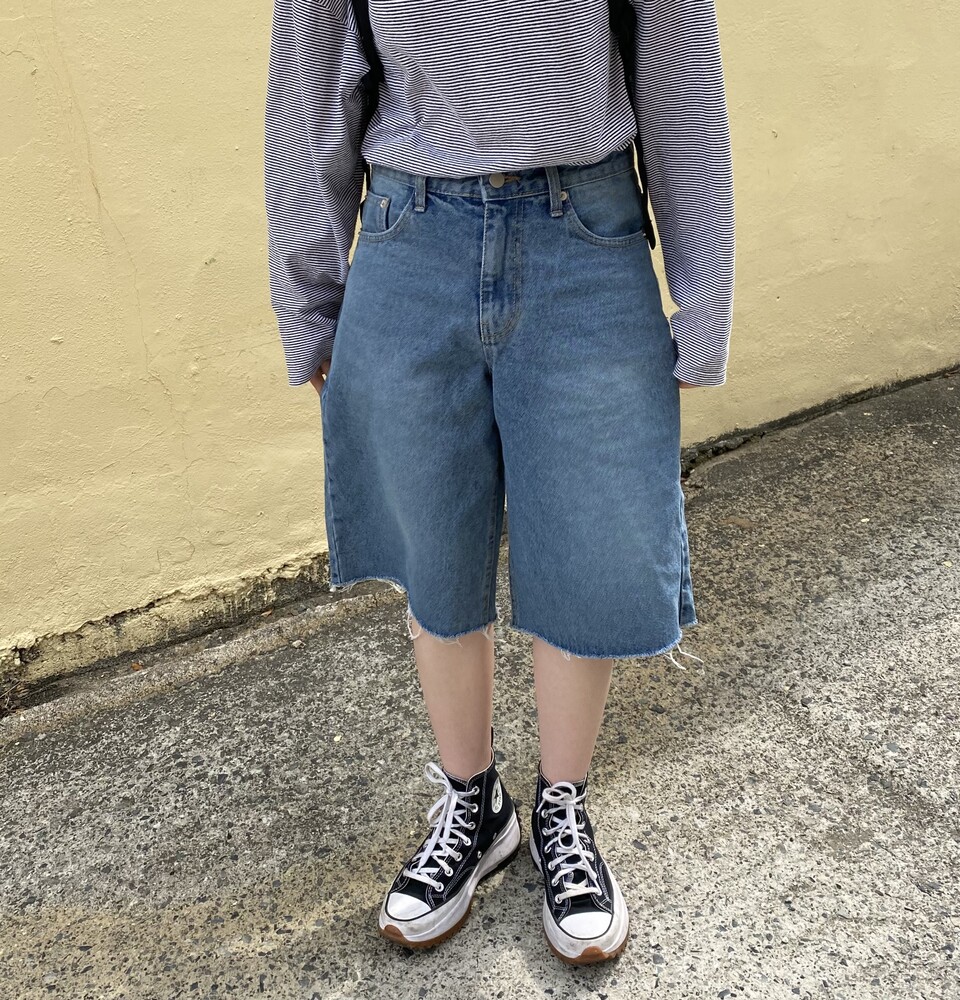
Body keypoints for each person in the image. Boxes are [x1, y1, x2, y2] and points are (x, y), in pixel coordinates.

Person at [264, 0, 734, 966]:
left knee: (590, 536)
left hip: (586, 237)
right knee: (431, 538)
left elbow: (680, 74)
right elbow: (308, 88)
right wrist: (310, 301)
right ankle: (474, 805)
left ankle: (564, 808)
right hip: (410, 237)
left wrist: (705, 295)